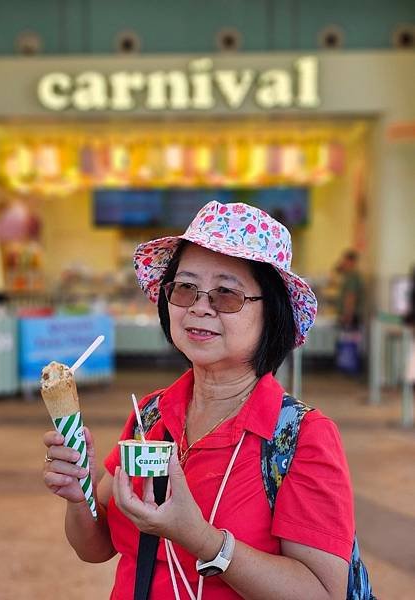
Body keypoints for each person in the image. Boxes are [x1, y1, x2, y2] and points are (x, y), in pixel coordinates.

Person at [43, 201, 355, 599]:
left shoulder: (300, 438)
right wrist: (79, 490)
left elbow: (323, 594)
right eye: (186, 288)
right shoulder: (151, 415)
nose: (199, 308)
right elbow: (95, 546)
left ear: (272, 313)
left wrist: (202, 539)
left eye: (226, 294)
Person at [336, 250, 365, 331]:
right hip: (351, 317)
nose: (343, 263)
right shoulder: (348, 275)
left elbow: (351, 297)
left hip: (351, 318)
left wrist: (347, 318)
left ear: (351, 262)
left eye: (345, 261)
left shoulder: (352, 277)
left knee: (348, 342)